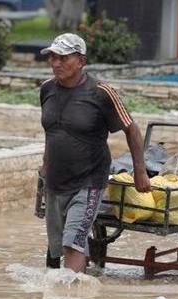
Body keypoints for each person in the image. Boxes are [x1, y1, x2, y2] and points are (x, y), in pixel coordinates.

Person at [39, 33, 150, 272]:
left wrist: (140, 172)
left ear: (81, 61)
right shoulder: (47, 90)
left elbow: (131, 129)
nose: (55, 63)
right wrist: (46, 164)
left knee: (72, 244)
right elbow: (52, 133)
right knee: (55, 246)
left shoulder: (101, 92)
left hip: (88, 181)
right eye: (52, 57)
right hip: (55, 181)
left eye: (63, 58)